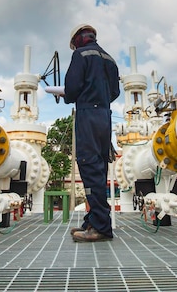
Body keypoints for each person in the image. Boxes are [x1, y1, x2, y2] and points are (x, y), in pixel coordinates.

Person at [63, 24, 120, 242]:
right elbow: (114, 91)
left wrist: (72, 96)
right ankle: (92, 220)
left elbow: (71, 90)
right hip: (104, 116)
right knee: (99, 167)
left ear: (77, 39)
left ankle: (101, 228)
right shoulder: (109, 58)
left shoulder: (81, 54)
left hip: (88, 115)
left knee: (89, 167)